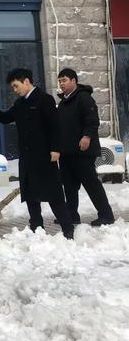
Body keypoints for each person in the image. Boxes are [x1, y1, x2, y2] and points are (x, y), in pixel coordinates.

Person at [0, 68, 74, 239]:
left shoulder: (44, 99)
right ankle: (37, 227)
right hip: (26, 157)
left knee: (53, 194)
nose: (15, 90)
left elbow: (55, 126)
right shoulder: (20, 104)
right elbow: (5, 117)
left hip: (45, 156)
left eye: (16, 86)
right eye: (13, 88)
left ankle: (68, 229)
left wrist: (56, 149)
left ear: (26, 81)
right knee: (31, 194)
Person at [57, 68, 115, 226]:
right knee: (69, 186)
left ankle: (106, 215)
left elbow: (92, 119)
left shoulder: (83, 98)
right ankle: (72, 215)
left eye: (64, 80)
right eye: (60, 81)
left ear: (74, 81)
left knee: (91, 184)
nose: (61, 84)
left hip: (82, 151)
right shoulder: (63, 102)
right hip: (67, 152)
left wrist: (87, 136)